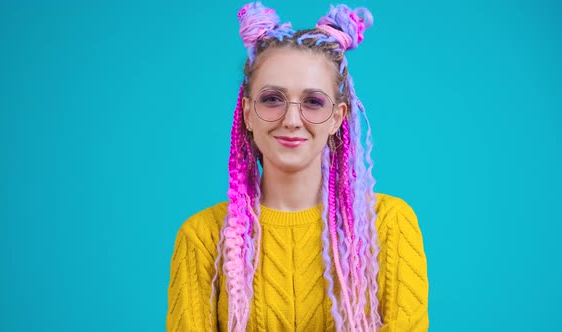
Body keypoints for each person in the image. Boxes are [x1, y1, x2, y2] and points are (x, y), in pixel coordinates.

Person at [166, 2, 429, 331]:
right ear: (248, 112)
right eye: (272, 99)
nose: (291, 120)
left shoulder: (389, 226)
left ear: (338, 117)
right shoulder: (203, 238)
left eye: (313, 102)